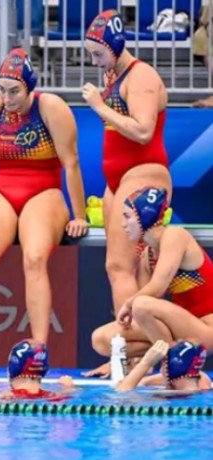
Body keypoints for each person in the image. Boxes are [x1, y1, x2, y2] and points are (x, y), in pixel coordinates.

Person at [0, 48, 88, 352]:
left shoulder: (50, 107)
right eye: (2, 89)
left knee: (34, 258)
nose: (7, 97)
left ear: (30, 87)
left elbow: (72, 163)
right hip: (3, 191)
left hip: (45, 192)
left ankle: (38, 349)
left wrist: (79, 215)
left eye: (14, 91)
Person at [82, 10, 172, 355]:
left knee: (119, 265)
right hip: (118, 180)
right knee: (128, 266)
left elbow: (144, 130)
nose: (94, 62)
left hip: (144, 171)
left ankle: (131, 352)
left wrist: (99, 107)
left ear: (117, 46)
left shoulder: (142, 75)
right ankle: (138, 351)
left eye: (98, 54)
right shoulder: (113, 74)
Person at [89, 187, 213, 368]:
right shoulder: (148, 255)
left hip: (206, 329)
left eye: (127, 217)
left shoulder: (175, 235)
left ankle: (174, 366)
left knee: (141, 305)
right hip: (178, 329)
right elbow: (145, 317)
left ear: (143, 217)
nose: (123, 224)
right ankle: (168, 358)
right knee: (102, 339)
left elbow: (157, 288)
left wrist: (128, 303)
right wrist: (118, 359)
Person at [116, 340, 211, 393]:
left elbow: (121, 395)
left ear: (169, 369)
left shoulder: (168, 397)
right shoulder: (203, 385)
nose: (161, 370)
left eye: (162, 364)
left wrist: (145, 363)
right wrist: (145, 381)